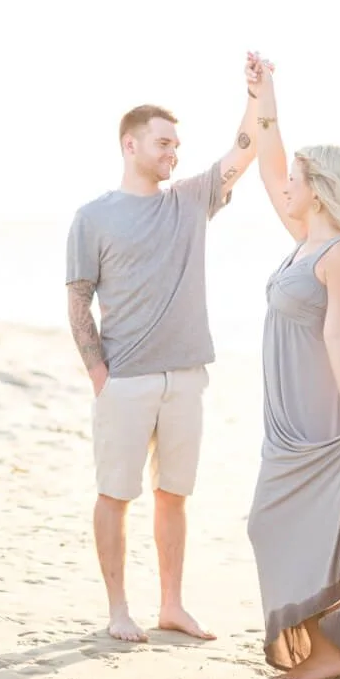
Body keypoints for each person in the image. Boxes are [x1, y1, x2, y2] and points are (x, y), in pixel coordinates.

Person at [66, 64, 261, 643]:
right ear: (131, 145)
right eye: (163, 142)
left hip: (186, 377)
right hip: (124, 380)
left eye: (177, 143)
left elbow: (243, 151)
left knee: (174, 494)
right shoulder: (92, 217)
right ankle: (118, 609)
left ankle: (172, 605)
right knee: (115, 494)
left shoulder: (189, 200)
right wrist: (99, 373)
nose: (174, 152)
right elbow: (79, 300)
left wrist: (256, 96)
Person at [245, 55, 340, 679]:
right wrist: (264, 96)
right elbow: (269, 166)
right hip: (287, 411)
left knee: (294, 524)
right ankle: (328, 652)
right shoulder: (302, 237)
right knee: (276, 523)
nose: (287, 184)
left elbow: (339, 331)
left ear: (320, 186)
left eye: (299, 177)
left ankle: (328, 655)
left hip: (322, 412)